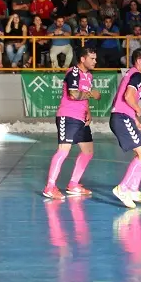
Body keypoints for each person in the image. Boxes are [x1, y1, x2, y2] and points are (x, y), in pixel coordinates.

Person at [44, 46, 99, 199]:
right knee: (63, 151)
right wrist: (92, 94)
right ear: (83, 59)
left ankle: (73, 184)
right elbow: (73, 94)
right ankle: (50, 186)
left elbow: (84, 97)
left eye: (95, 58)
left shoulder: (89, 76)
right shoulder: (73, 72)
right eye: (92, 59)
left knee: (88, 151)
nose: (95, 61)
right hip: (67, 116)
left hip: (81, 118)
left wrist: (88, 110)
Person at [110, 49, 141, 208]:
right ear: (140, 61)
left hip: (123, 118)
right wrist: (138, 109)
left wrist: (136, 122)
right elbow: (128, 97)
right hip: (121, 119)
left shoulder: (130, 74)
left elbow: (119, 100)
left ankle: (133, 190)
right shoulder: (137, 75)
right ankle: (122, 189)